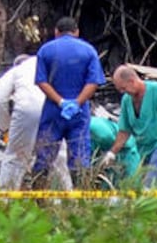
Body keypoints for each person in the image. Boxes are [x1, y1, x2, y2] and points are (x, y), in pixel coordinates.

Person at [31, 16, 106, 186]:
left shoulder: (46, 50)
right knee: (79, 159)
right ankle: (81, 197)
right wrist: (77, 103)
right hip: (79, 113)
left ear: (56, 32)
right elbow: (93, 82)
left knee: (44, 156)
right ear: (76, 32)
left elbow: (41, 81)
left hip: (53, 110)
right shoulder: (89, 51)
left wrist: (61, 102)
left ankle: (37, 198)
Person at [0, 53, 72, 190]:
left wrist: (6, 128)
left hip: (28, 110)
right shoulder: (52, 67)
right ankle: (65, 197)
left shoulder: (16, 71)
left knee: (16, 157)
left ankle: (5, 197)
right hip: (55, 109)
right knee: (58, 157)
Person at [89, 116, 140, 186]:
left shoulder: (99, 131)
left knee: (128, 185)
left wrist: (112, 153)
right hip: (103, 158)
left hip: (126, 151)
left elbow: (123, 137)